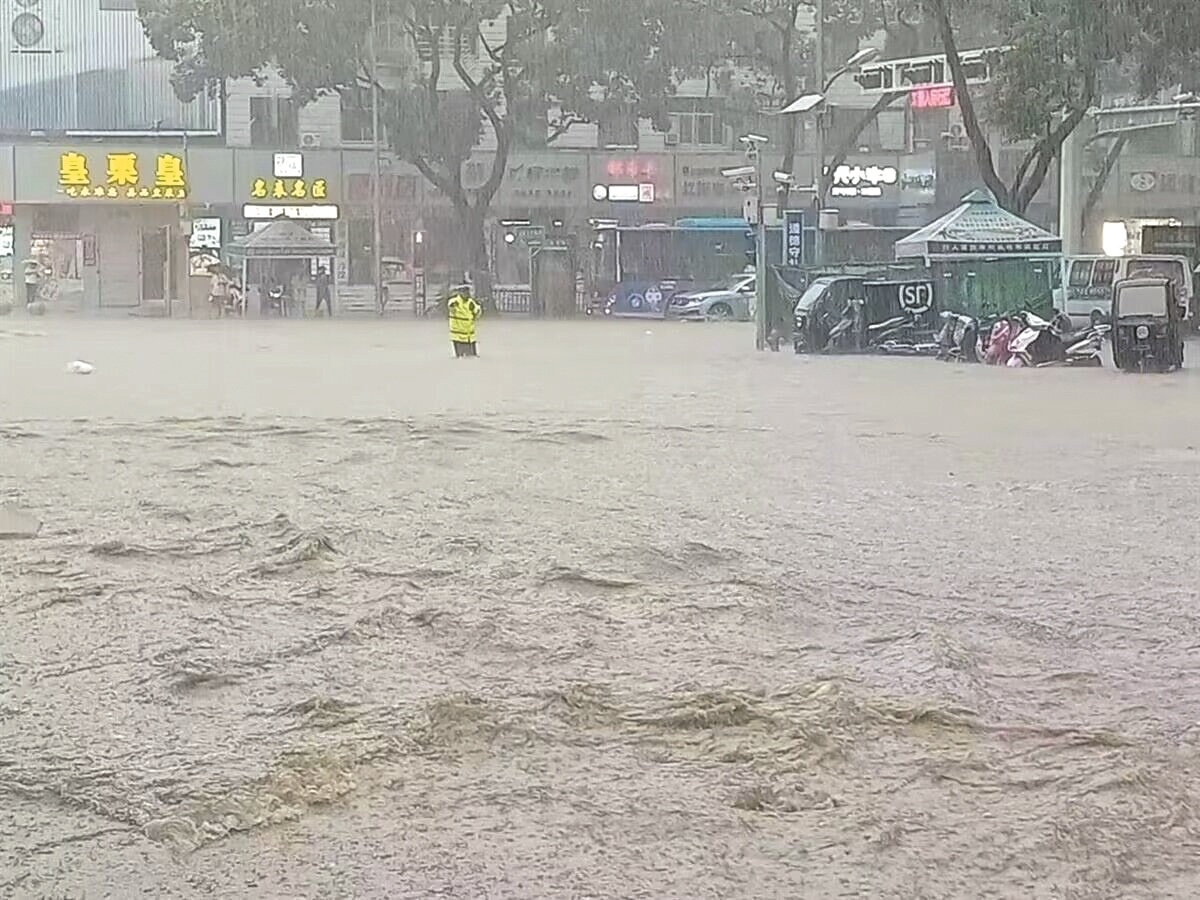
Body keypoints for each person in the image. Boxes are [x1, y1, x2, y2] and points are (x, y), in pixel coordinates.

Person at [447, 283, 482, 357]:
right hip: (458, 335)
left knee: (472, 356)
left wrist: (478, 310)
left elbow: (477, 313)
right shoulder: (454, 302)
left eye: (467, 292)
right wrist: (452, 306)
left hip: (469, 335)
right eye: (464, 292)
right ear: (460, 292)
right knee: (460, 356)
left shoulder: (471, 302)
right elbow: (451, 307)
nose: (467, 294)